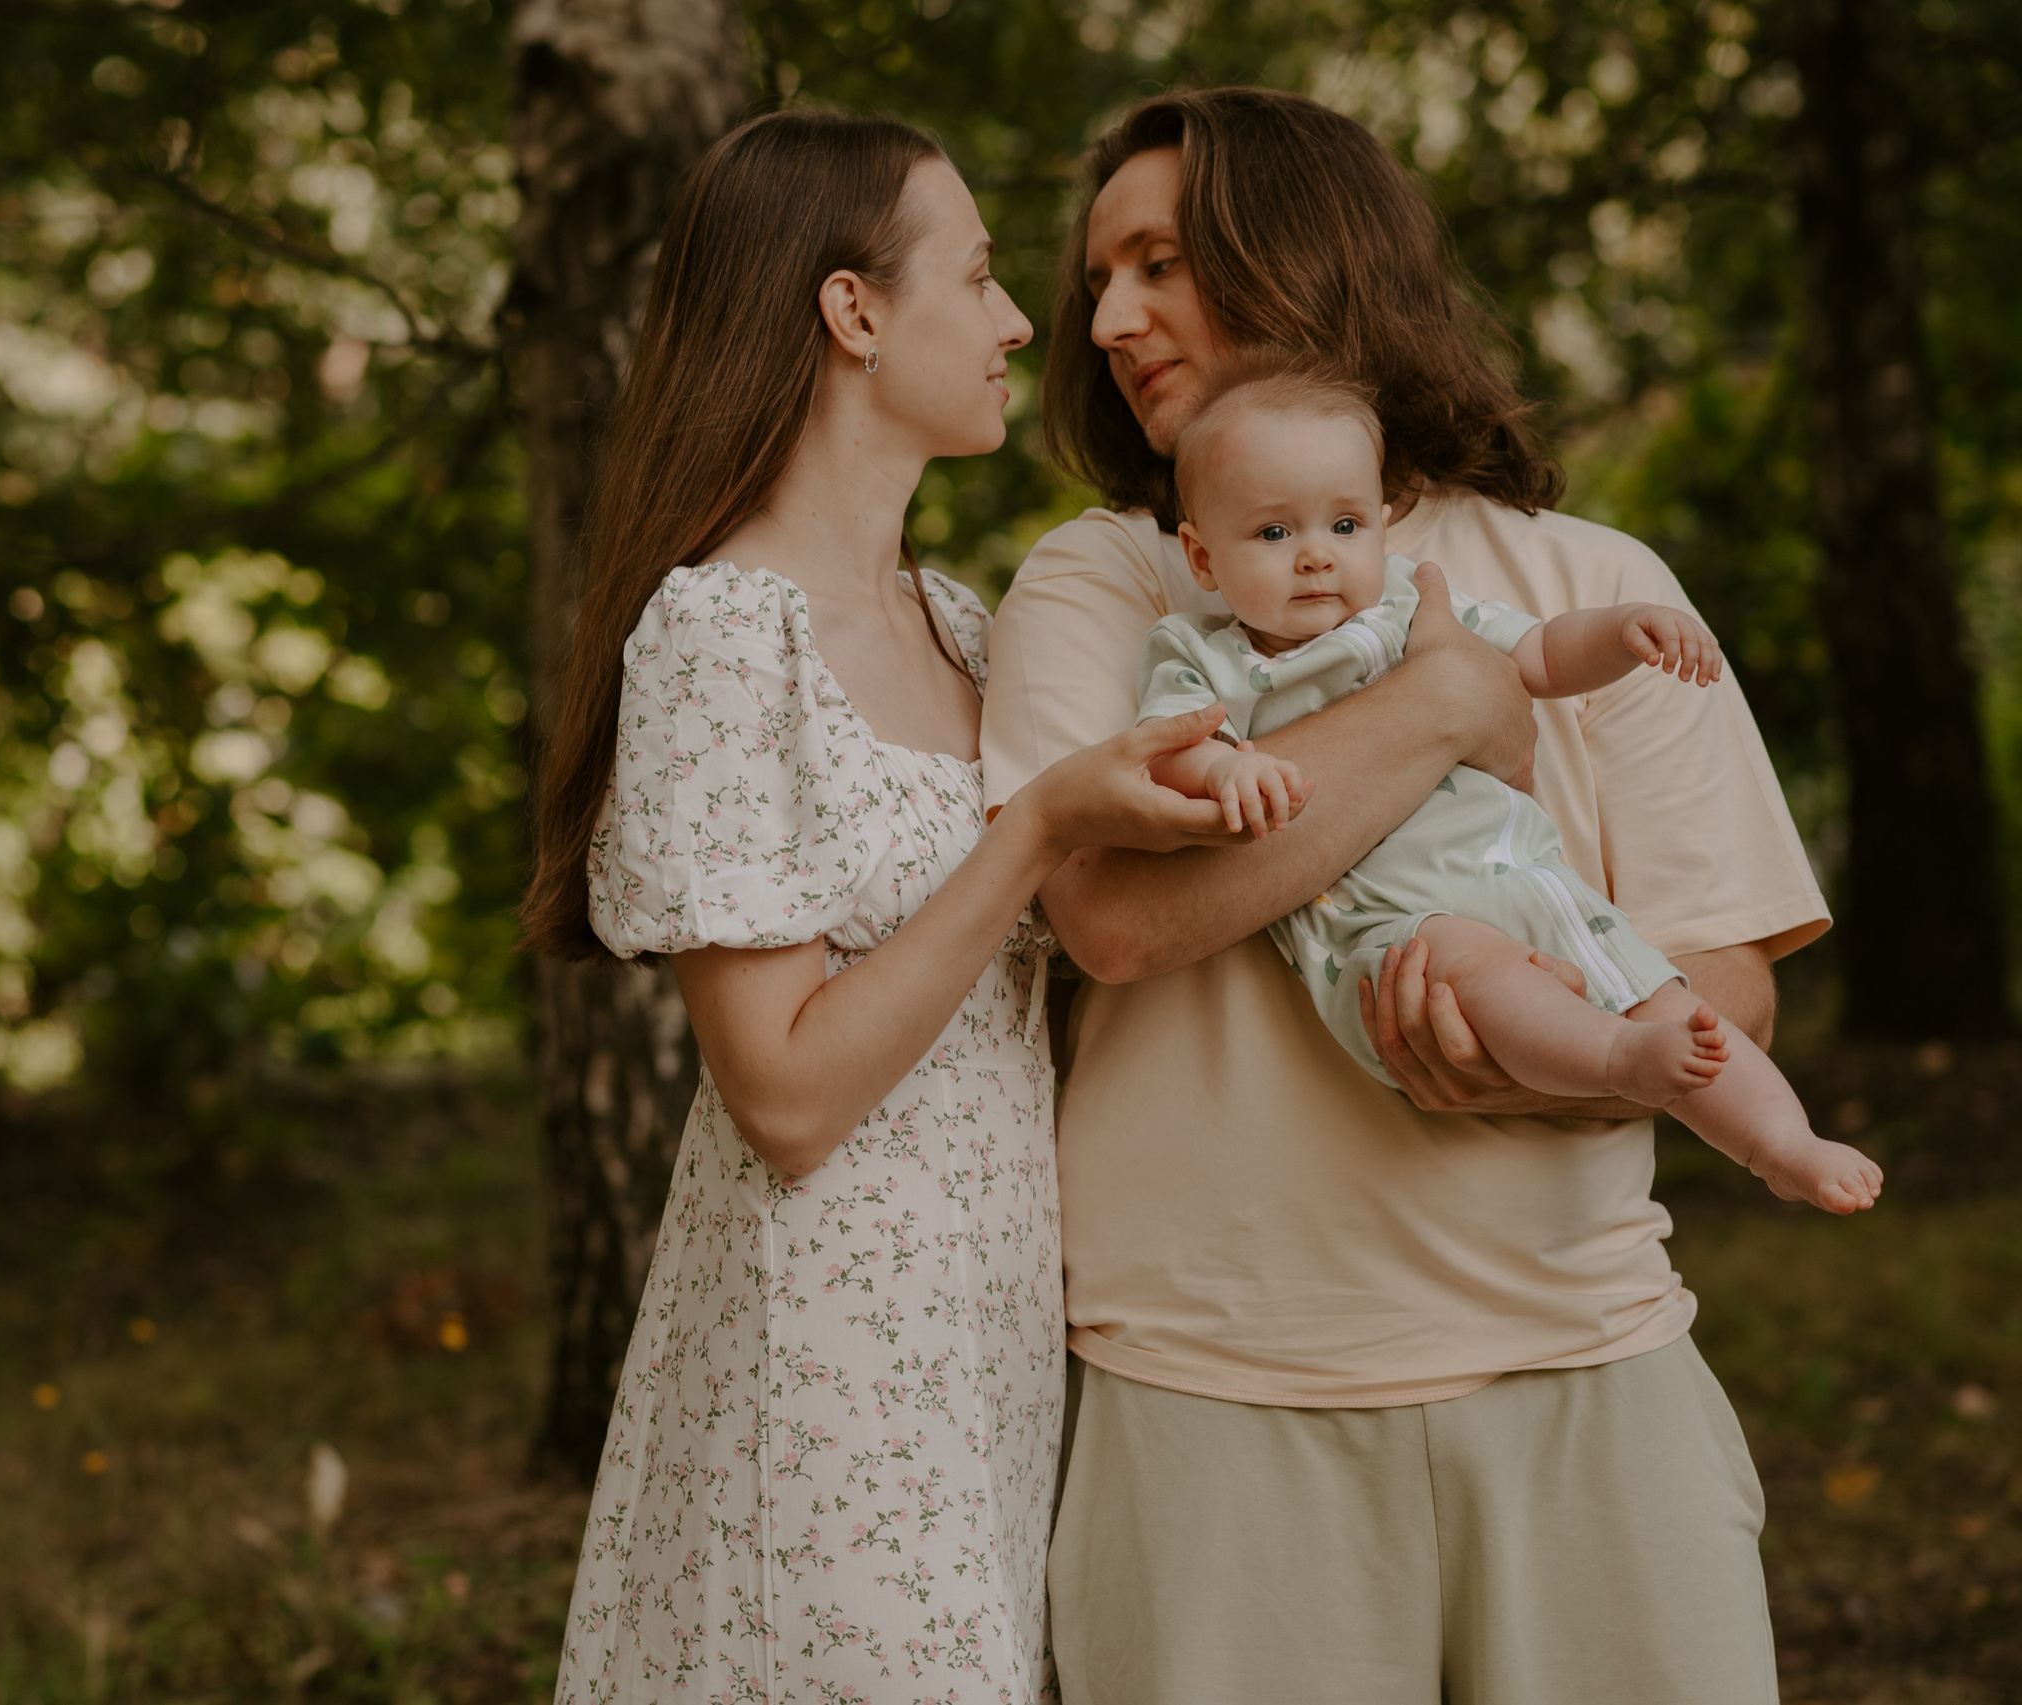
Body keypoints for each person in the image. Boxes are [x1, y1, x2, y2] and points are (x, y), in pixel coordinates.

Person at [980, 87, 1829, 1702]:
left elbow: (1730, 992)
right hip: (1214, 1391)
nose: (1104, 319)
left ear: (1304, 259)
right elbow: (1114, 919)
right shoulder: (1104, 582)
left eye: (1156, 262)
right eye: (1099, 278)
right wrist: (1444, 708)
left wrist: (1551, 1063)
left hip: (1592, 1366)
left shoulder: (1602, 583)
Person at [523, 110, 1237, 1702]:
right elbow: (778, 1094)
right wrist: (1039, 820)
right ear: (852, 313)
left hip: (985, 1345)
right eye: (977, 277)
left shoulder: (963, 626)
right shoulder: (718, 641)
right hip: (824, 1357)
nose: (1011, 323)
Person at [1138, 361, 1882, 1215]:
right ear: (1201, 553)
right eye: (1272, 535)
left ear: (1381, 527)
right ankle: (1615, 1061)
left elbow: (1541, 655)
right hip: (1390, 927)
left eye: (1344, 524)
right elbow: (1168, 752)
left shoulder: (1412, 609)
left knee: (1664, 994)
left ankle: (1780, 1144)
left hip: (1527, 877)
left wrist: (1623, 631)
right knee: (1482, 970)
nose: (1314, 556)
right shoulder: (1199, 654)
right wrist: (1225, 766)